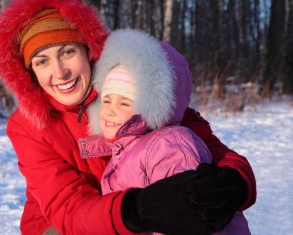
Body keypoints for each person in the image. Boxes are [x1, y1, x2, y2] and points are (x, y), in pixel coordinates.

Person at [0, 0, 256, 234]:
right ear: (30, 72)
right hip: (60, 226)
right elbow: (68, 208)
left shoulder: (125, 83)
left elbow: (212, 148)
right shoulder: (28, 126)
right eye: (41, 61)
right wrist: (138, 210)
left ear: (87, 50)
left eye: (67, 52)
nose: (60, 72)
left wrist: (234, 183)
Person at [79, 29, 251, 235]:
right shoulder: (125, 147)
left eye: (124, 102)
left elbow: (181, 217)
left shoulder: (168, 145)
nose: (110, 109)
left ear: (151, 107)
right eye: (106, 100)